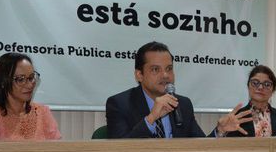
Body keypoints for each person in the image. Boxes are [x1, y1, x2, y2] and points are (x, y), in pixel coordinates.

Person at [106, 41, 252, 138]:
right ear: (139, 75)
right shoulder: (120, 104)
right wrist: (151, 119)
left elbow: (199, 146)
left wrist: (220, 131)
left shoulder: (182, 104)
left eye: (169, 69)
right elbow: (118, 150)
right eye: (155, 69)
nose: (165, 75)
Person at [0, 53, 61, 141]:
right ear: (3, 82)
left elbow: (58, 148)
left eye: (31, 77)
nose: (30, 85)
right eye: (20, 79)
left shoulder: (42, 112)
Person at [226, 65, 276, 137]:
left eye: (267, 84)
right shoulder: (236, 117)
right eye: (255, 83)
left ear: (273, 90)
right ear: (248, 86)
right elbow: (224, 142)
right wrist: (221, 131)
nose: (260, 87)